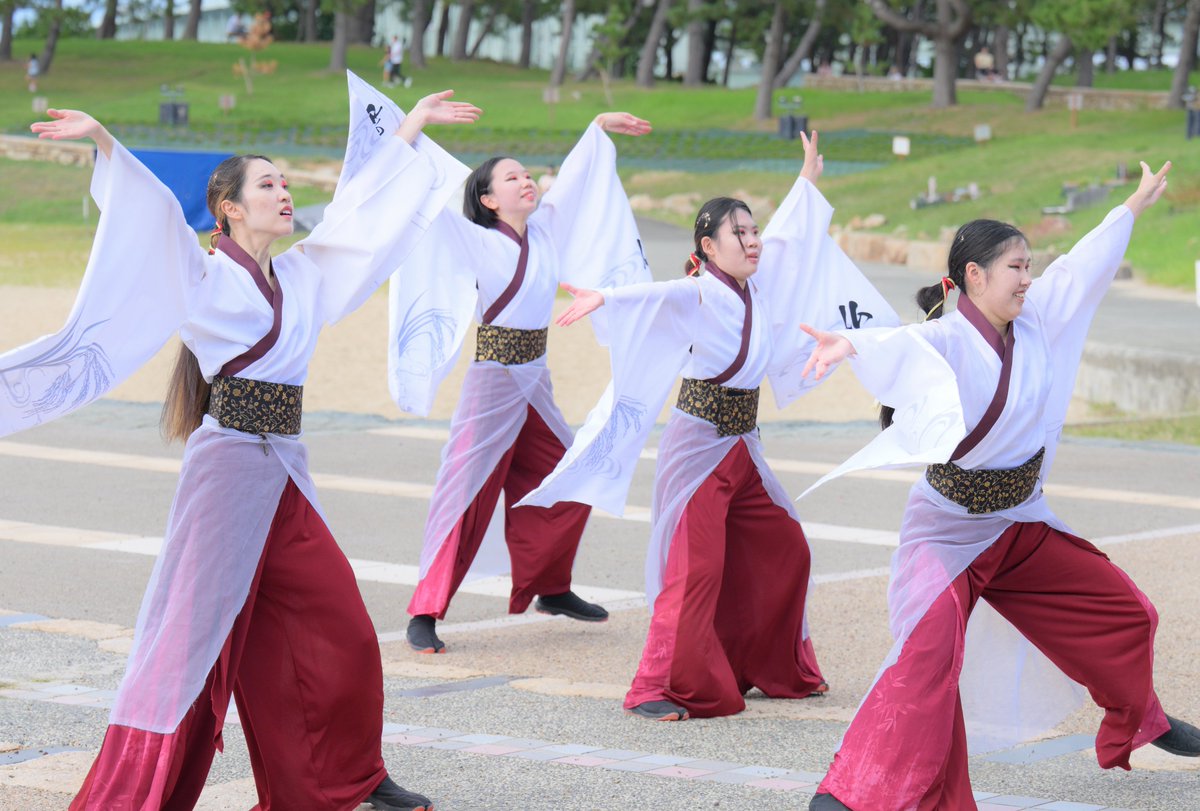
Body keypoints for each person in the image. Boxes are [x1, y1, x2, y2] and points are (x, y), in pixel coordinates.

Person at [11, 84, 480, 810]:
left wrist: (410, 126)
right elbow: (156, 218)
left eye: (287, 183)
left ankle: (344, 774)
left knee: (346, 632)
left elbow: (362, 220)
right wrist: (106, 139)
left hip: (284, 468)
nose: (284, 192)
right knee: (188, 647)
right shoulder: (201, 278)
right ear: (229, 207)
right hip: (227, 473)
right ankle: (136, 793)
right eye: (268, 184)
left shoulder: (304, 273)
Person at [798, 160, 1200, 811]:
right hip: (947, 526)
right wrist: (849, 345)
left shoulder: (1038, 318)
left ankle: (1141, 716)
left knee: (1128, 612)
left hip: (1018, 521)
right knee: (927, 651)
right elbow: (904, 344)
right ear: (973, 277)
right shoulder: (949, 340)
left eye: (1028, 265)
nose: (1028, 277)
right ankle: (853, 791)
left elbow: (1083, 265)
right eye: (1015, 266)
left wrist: (1132, 204)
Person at [523, 132, 900, 721]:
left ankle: (769, 666)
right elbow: (658, 293)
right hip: (699, 444)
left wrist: (806, 178)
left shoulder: (757, 284)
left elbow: (794, 236)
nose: (753, 242)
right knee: (694, 570)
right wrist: (607, 297)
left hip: (743, 443)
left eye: (753, 233)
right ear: (708, 245)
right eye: (739, 234)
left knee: (785, 547)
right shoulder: (698, 292)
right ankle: (652, 686)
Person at [388, 112, 654, 655]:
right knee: (463, 491)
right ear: (487, 200)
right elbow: (421, 200)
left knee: (573, 473)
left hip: (536, 375)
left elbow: (577, 180)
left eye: (527, 174)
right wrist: (412, 126)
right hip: (492, 380)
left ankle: (550, 587)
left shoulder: (545, 230)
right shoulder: (472, 238)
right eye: (511, 178)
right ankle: (425, 609)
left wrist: (597, 127)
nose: (525, 181)